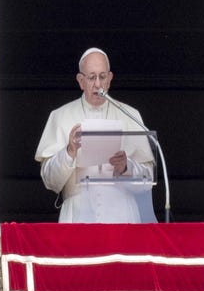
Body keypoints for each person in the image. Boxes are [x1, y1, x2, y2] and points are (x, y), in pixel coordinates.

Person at [35, 47, 157, 223]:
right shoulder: (60, 116)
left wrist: (126, 167)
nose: (98, 84)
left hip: (123, 217)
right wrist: (69, 151)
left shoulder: (130, 115)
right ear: (80, 81)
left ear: (110, 79)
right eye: (92, 78)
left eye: (102, 77)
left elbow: (147, 182)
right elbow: (51, 182)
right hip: (77, 218)